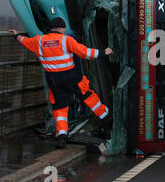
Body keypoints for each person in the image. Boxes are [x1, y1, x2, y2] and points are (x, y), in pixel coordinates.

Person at [8, 17, 113, 149]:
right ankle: (105, 117)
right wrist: (104, 52)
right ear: (60, 28)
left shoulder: (39, 41)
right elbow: (84, 53)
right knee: (87, 95)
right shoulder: (66, 39)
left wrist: (16, 35)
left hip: (53, 80)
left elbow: (25, 41)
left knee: (60, 108)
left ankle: (62, 136)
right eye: (63, 28)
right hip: (71, 77)